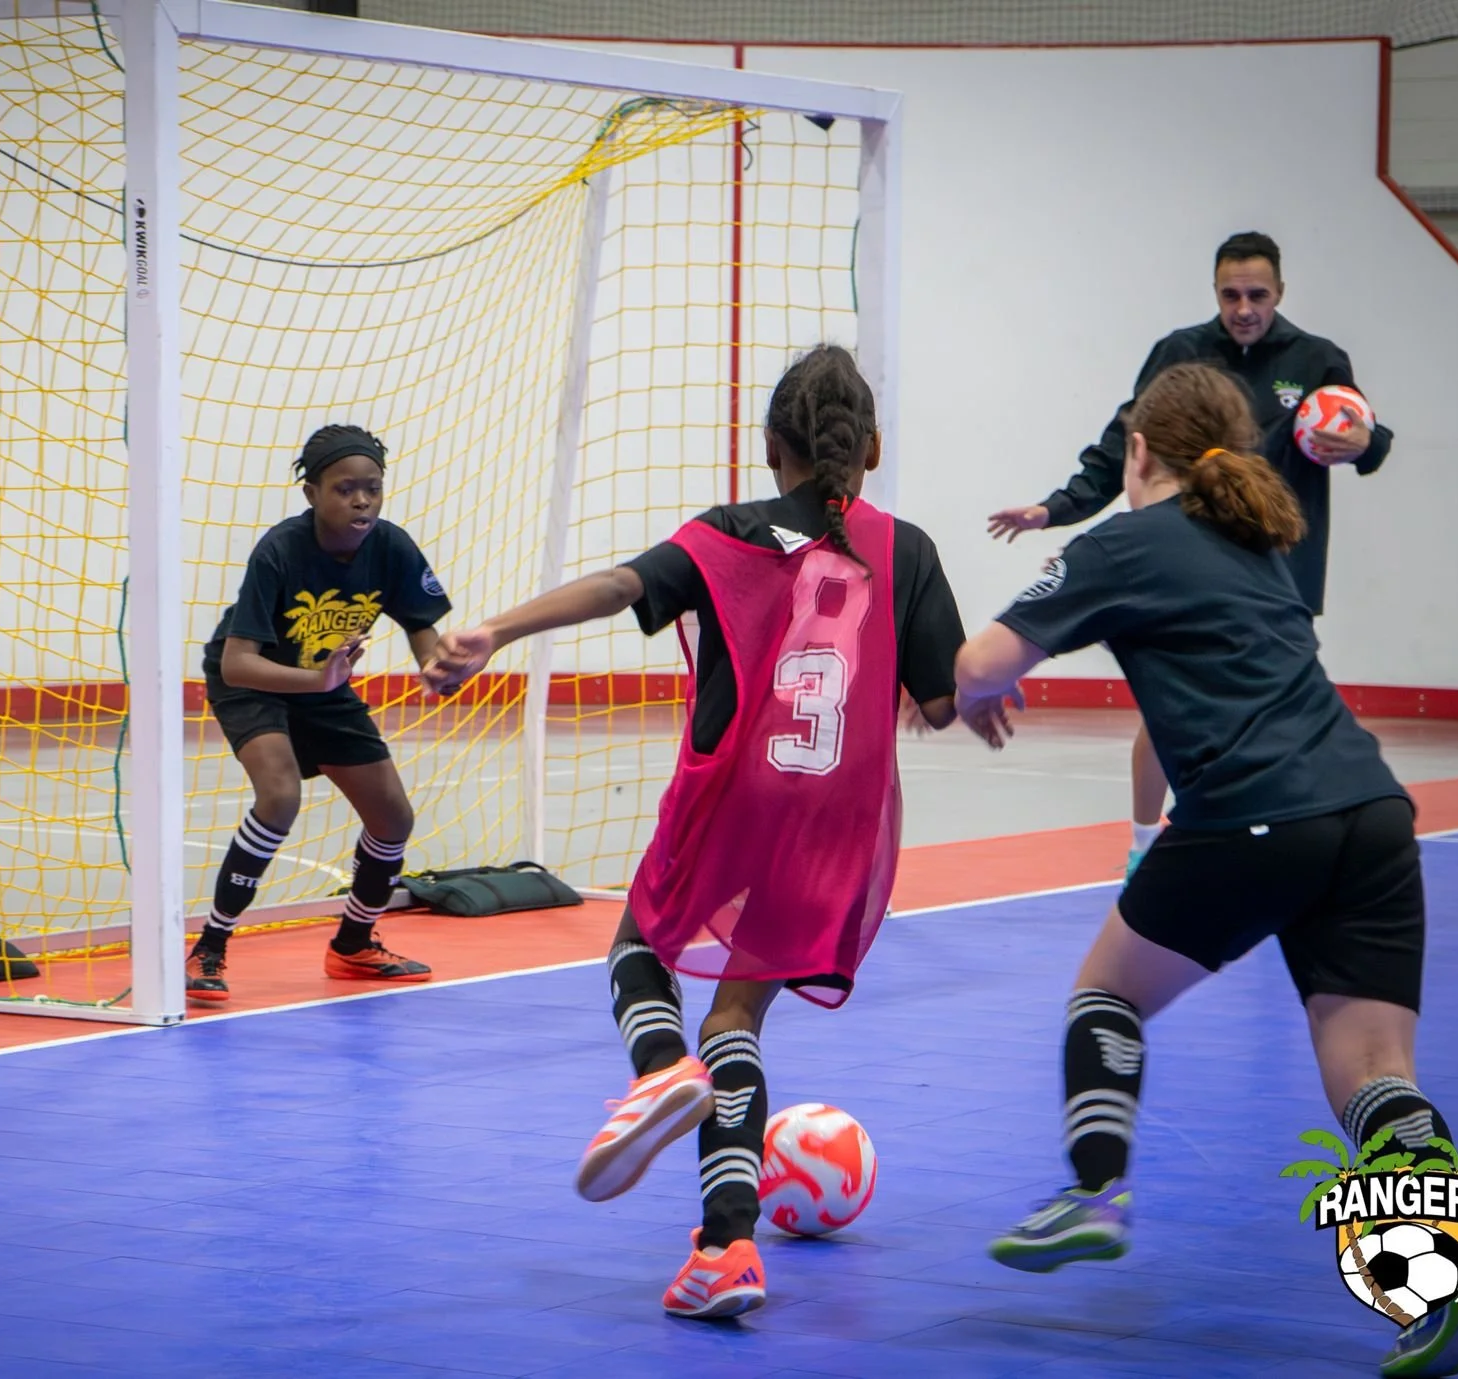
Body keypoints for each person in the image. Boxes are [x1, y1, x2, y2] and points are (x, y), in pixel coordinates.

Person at [957, 362, 1458, 1378]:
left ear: (1135, 450)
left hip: (1255, 816)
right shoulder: (1258, 544)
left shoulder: (1119, 540)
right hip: (1371, 809)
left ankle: (1092, 1190)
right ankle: (1443, 1284)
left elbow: (978, 660)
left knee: (1104, 994)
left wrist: (980, 690)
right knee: (1374, 1077)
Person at [422, 345, 990, 1319]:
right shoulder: (910, 549)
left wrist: (496, 632)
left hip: (737, 795)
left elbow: (614, 586)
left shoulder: (727, 533)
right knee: (736, 1017)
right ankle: (726, 1249)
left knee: (635, 947)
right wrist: (985, 684)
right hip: (836, 828)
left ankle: (655, 1071)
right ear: (873, 447)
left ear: (769, 445)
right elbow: (943, 697)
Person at [986, 232, 1395, 876]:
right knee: (1169, 709)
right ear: (1215, 293)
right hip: (1190, 562)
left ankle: (1265, 831)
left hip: (1279, 568)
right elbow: (1123, 444)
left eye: (1257, 294)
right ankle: (1148, 843)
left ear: (1280, 293)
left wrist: (1362, 442)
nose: (1244, 308)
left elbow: (1367, 436)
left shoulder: (1318, 360)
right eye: (1230, 294)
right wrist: (1054, 509)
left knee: (1277, 706)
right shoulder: (1181, 354)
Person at [187, 424, 452, 1002]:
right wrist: (316, 679)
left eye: (372, 488)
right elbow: (236, 664)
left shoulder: (392, 547)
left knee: (392, 818)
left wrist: (441, 665)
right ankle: (210, 945)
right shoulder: (280, 550)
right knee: (279, 796)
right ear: (311, 493)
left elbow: (421, 626)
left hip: (322, 681)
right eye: (345, 489)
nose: (362, 500)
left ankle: (353, 944)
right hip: (258, 680)